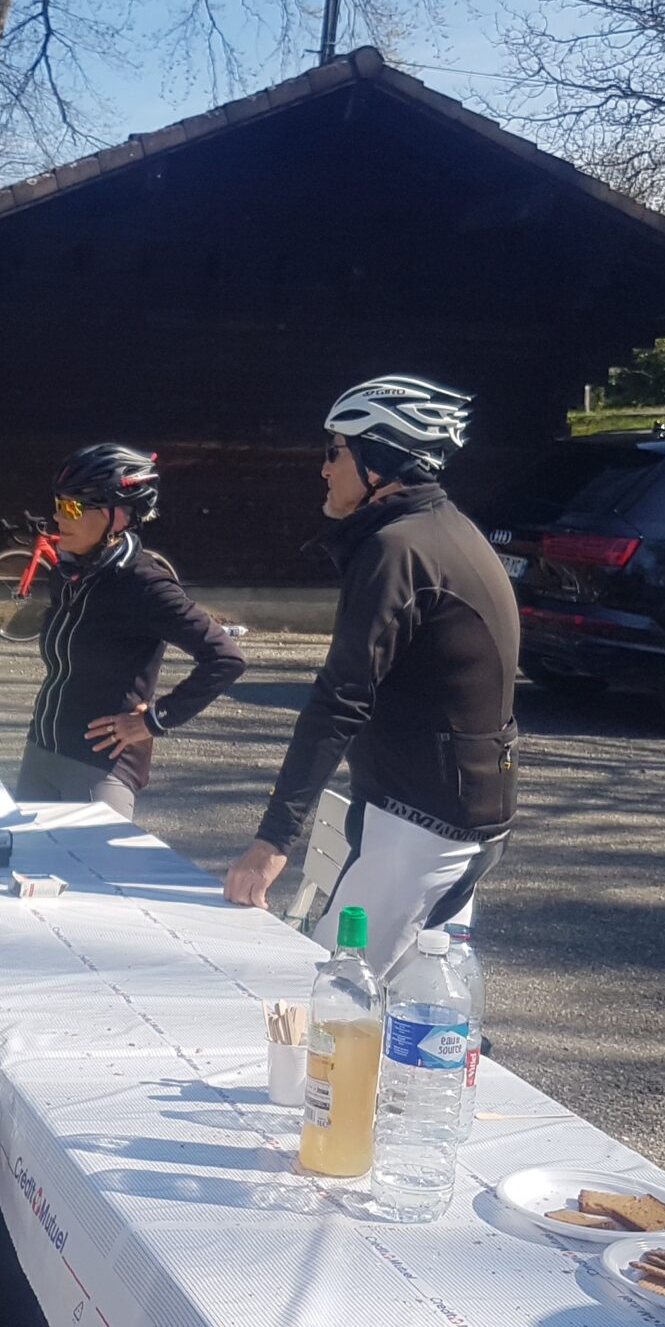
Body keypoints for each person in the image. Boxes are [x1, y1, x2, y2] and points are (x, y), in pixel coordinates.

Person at [222, 375, 519, 980]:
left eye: (335, 450)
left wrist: (273, 841)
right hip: (439, 812)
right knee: (409, 1012)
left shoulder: (399, 549)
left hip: (424, 827)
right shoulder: (440, 532)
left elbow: (341, 699)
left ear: (378, 458)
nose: (324, 469)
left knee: (328, 999)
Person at [12, 443, 245, 821]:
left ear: (118, 517)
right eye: (58, 503)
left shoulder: (145, 583)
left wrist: (155, 720)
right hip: (40, 753)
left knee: (92, 881)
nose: (58, 517)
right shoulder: (68, 573)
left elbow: (225, 658)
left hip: (98, 770)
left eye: (72, 507)